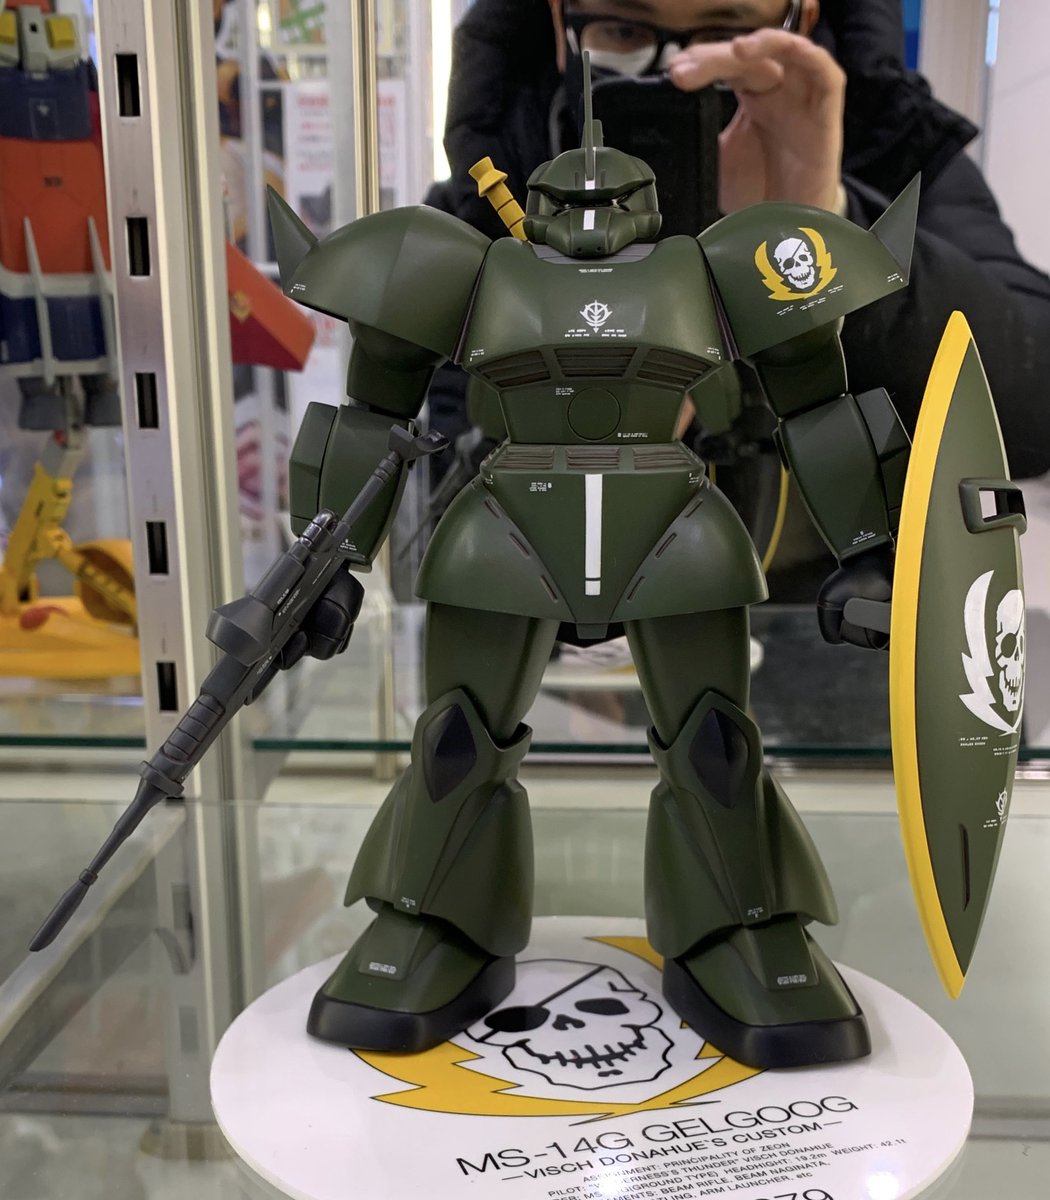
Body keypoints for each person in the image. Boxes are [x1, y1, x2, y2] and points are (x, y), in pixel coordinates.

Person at [424, 0, 1050, 595]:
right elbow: (441, 496)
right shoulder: (488, 196)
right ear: (560, 15)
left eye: (727, 33)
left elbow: (1028, 411)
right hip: (572, 614)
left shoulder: (895, 145)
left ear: (802, 19)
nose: (679, 72)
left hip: (827, 618)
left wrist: (823, 235)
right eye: (624, 29)